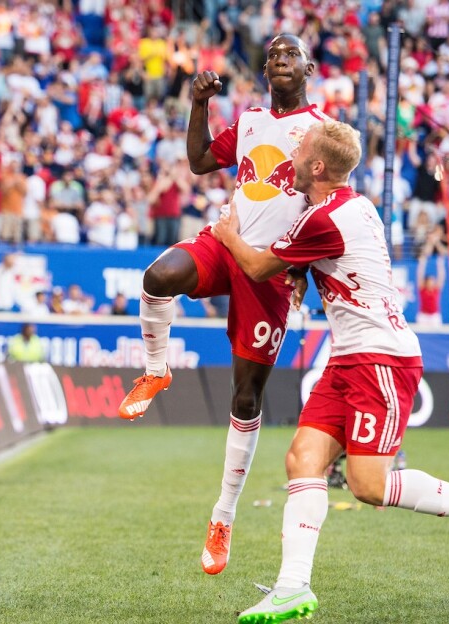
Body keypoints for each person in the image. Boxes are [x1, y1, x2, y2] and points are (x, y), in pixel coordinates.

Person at [211, 120, 449, 623]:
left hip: (381, 357)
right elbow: (317, 261)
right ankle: (293, 588)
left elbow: (254, 267)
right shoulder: (345, 206)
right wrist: (299, 274)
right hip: (349, 355)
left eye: (300, 148)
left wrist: (227, 234)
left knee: (368, 485)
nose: (291, 151)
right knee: (302, 459)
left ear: (317, 166)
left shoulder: (325, 218)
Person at [118, 33, 328, 576]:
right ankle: (157, 371)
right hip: (225, 240)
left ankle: (223, 516)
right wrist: (199, 103)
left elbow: (323, 207)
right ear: (265, 71)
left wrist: (302, 267)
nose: (280, 60)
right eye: (273, 55)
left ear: (308, 67)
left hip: (272, 270)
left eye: (290, 55)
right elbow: (197, 161)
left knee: (245, 397)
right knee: (158, 275)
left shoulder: (321, 130)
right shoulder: (253, 120)